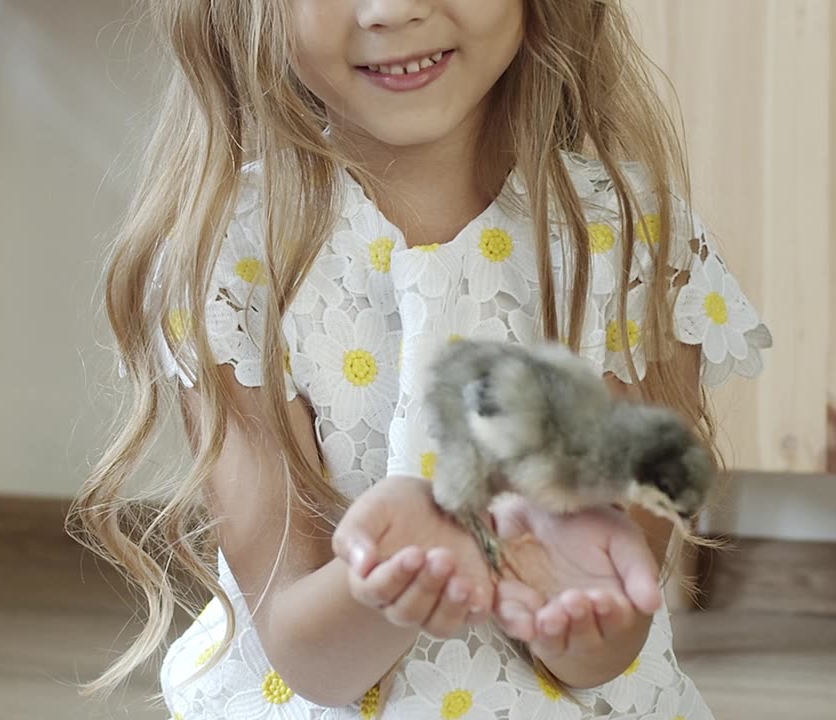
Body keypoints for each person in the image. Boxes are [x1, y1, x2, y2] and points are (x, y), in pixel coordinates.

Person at [70, 1, 770, 718]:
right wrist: (387, 579)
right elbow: (309, 658)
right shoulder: (232, 257)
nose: (393, 8)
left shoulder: (628, 235)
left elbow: (603, 656)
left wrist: (574, 586)